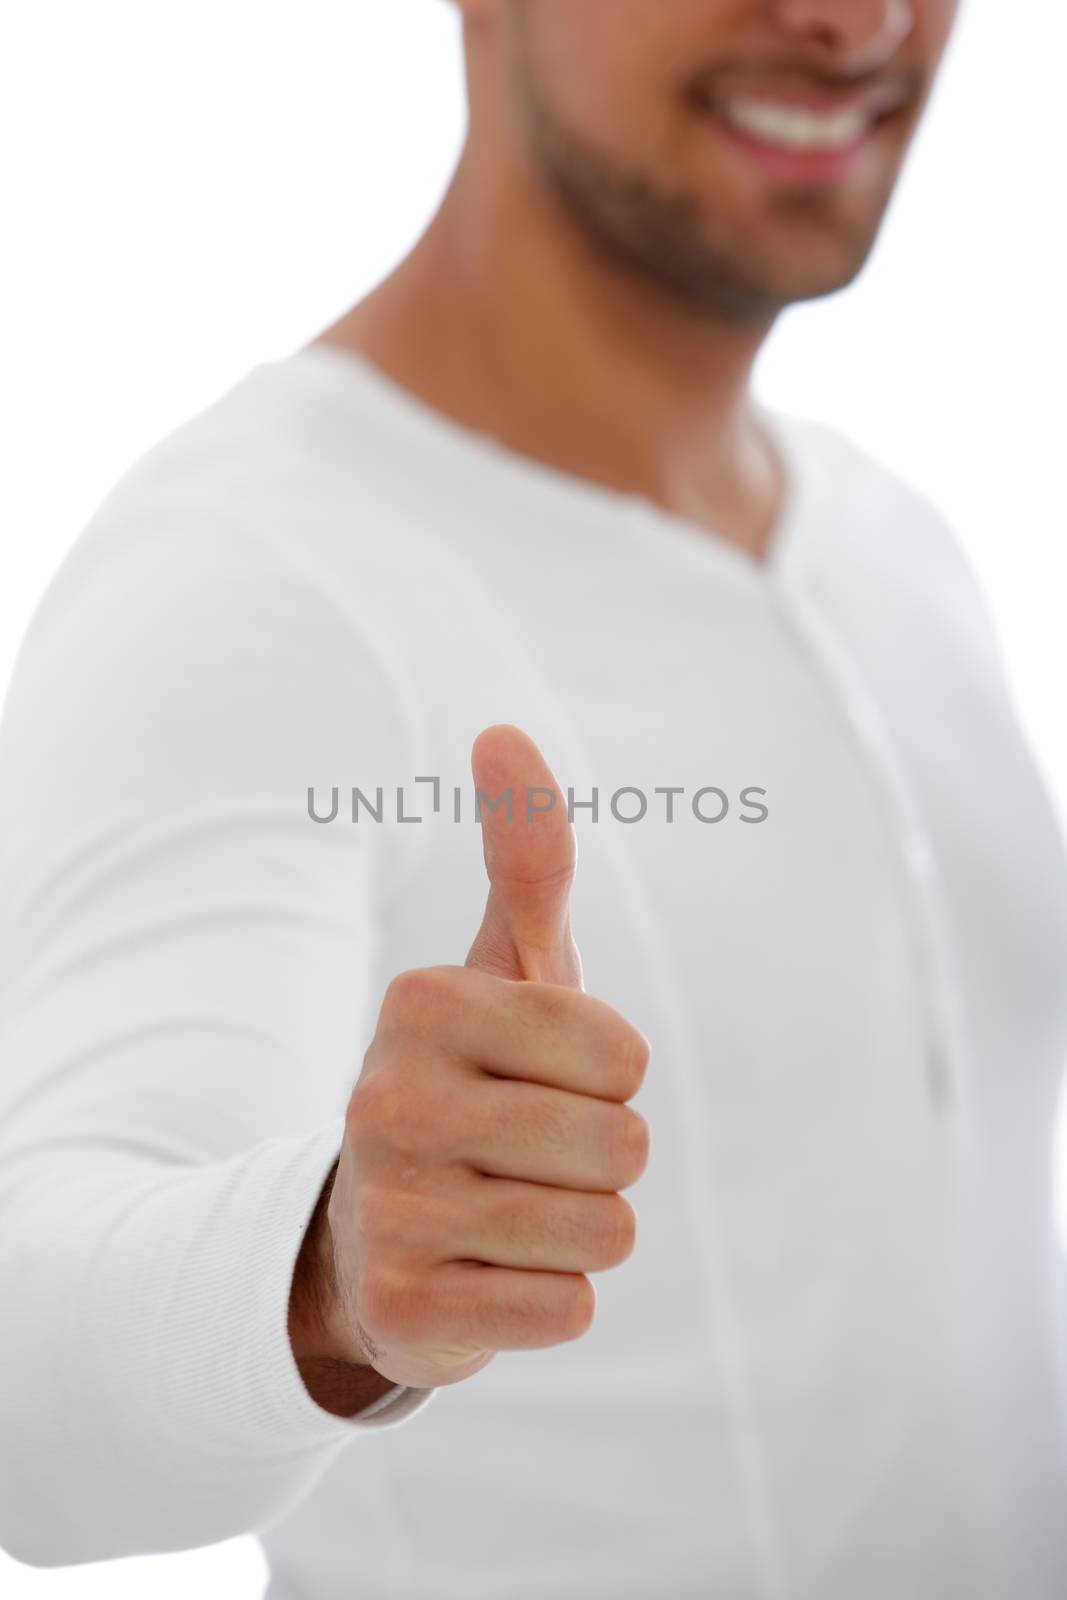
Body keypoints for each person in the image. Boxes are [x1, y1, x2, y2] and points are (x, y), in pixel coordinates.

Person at [1, 0, 1066, 1595]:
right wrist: (328, 1277)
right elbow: (28, 1402)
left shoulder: (898, 547)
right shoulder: (246, 577)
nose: (855, 21)